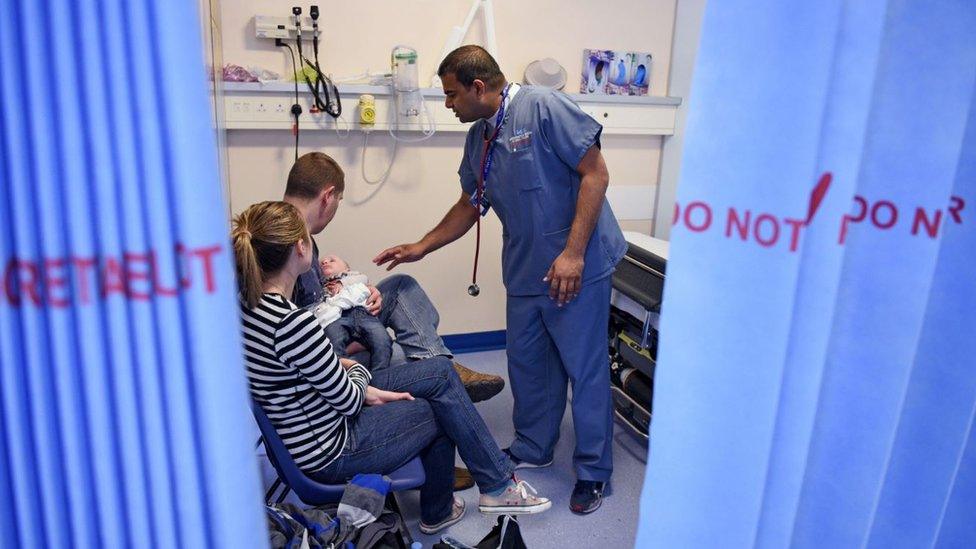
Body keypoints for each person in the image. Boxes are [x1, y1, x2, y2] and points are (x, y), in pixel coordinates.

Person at [374, 45, 627, 515]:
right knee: (529, 363)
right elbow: (471, 203)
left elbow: (596, 175)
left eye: (451, 95)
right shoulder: (479, 138)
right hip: (527, 267)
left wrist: (573, 255)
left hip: (579, 265)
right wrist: (421, 246)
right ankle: (533, 446)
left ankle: (594, 471)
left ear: (478, 87)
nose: (447, 104)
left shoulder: (544, 107)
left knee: (585, 369)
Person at [233, 201, 551, 534]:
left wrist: (331, 362)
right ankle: (448, 506)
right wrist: (348, 367)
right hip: (332, 449)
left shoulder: (248, 307)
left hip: (310, 424)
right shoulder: (294, 323)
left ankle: (495, 484)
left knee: (440, 374)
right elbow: (350, 401)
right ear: (300, 248)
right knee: (441, 407)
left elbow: (301, 372)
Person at [283, 152, 505, 404]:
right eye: (339, 201)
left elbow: (316, 300)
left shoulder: (302, 237)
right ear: (328, 196)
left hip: (337, 319)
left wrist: (361, 293)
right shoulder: (287, 245)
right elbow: (302, 335)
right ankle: (443, 368)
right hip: (331, 353)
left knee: (400, 287)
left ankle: (440, 363)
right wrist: (353, 337)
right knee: (406, 355)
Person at [312, 254, 393, 371]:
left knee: (382, 339)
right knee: (332, 346)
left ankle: (380, 375)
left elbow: (363, 278)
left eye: (331, 260)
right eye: (321, 263)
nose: (325, 262)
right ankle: (342, 378)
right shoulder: (319, 285)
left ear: (346, 268)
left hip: (361, 313)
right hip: (335, 318)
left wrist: (341, 283)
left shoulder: (352, 276)